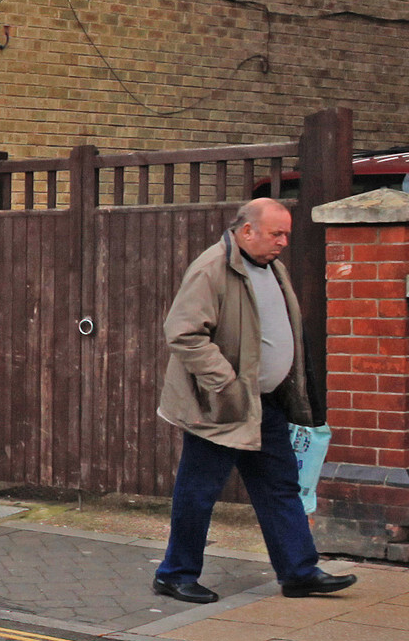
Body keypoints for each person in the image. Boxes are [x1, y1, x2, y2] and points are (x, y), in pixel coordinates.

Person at [153, 196, 356, 604]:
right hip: (221, 407)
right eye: (276, 233)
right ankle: (174, 575)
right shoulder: (212, 268)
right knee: (198, 492)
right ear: (247, 231)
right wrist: (226, 385)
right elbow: (183, 332)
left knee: (280, 488)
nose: (283, 242)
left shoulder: (273, 269)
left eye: (286, 234)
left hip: (266, 405)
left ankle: (299, 572)